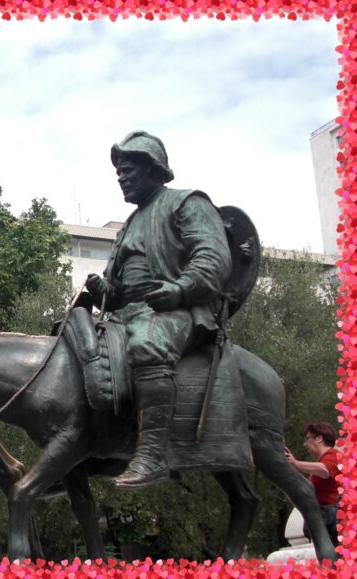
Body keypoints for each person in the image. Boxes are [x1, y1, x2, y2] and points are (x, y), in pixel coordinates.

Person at [86, 130, 232, 488]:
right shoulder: (129, 225)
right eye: (118, 172)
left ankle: (153, 456)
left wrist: (180, 290)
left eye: (127, 171)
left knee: (146, 344)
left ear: (152, 169)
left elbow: (213, 256)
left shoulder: (187, 202)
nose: (121, 178)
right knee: (79, 349)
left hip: (176, 310)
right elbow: (119, 290)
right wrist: (105, 291)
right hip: (127, 314)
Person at [286, 421, 340, 545]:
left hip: (333, 521)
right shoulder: (323, 461)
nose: (305, 444)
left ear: (319, 438)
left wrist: (296, 463)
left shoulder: (333, 455)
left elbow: (325, 470)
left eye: (307, 438)